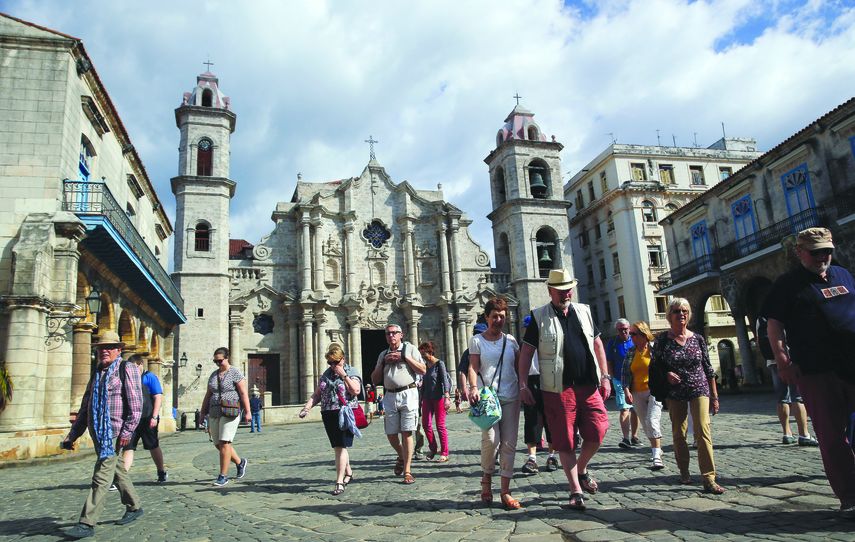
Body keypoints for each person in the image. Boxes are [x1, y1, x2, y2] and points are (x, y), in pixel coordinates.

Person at [764, 227, 855, 518]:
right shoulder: (787, 284)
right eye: (816, 252)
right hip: (816, 371)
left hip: (852, 365)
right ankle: (850, 497)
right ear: (800, 253)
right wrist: (782, 360)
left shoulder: (843, 274)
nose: (822, 257)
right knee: (831, 437)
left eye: (826, 250)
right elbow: (774, 324)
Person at [519, 269, 611, 512]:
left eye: (568, 288)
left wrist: (605, 376)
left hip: (589, 385)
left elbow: (598, 343)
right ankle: (575, 490)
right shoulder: (538, 317)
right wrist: (523, 384)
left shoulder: (585, 312)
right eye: (561, 290)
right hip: (557, 389)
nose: (566, 293)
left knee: (598, 430)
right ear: (550, 291)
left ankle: (580, 469)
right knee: (565, 441)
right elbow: (526, 352)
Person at [61, 331, 144, 539]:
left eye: (109, 347)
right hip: (98, 432)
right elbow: (85, 407)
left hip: (114, 432)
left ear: (119, 350)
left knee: (101, 476)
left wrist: (127, 431)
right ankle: (134, 506)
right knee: (117, 470)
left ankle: (86, 522)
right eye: (100, 348)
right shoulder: (97, 372)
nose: (104, 351)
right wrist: (73, 435)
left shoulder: (128, 368)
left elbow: (136, 405)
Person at [650, 298, 724, 494]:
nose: (681, 314)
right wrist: (666, 375)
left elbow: (708, 369)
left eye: (684, 310)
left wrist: (714, 396)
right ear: (669, 316)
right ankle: (684, 472)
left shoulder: (697, 339)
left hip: (699, 388)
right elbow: (655, 366)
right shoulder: (662, 340)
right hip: (675, 392)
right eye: (676, 311)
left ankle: (709, 478)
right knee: (679, 433)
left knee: (702, 431)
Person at [468, 296, 523, 510]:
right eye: (494, 316)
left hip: (511, 396)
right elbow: (473, 367)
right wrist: (473, 387)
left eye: (502, 316)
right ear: (486, 317)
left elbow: (520, 367)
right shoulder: (477, 341)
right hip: (488, 399)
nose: (498, 320)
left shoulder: (511, 341)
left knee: (509, 444)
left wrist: (525, 388)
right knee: (491, 440)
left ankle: (505, 491)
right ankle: (486, 476)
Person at [299, 343, 362, 495]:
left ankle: (339, 481)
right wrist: (306, 408)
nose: (333, 365)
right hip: (328, 413)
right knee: (338, 446)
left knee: (341, 446)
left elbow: (356, 390)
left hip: (345, 413)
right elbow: (317, 395)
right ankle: (349, 473)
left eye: (336, 362)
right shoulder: (326, 375)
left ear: (343, 359)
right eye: (330, 362)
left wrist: (343, 375)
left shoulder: (351, 371)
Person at [371, 323, 426, 485]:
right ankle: (402, 456)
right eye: (388, 334)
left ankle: (407, 470)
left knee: (407, 432)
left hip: (408, 393)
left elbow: (423, 370)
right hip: (389, 396)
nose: (391, 336)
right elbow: (374, 379)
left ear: (401, 335)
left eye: (394, 333)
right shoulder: (383, 354)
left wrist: (404, 358)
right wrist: (383, 364)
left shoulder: (410, 349)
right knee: (391, 433)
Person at [756, 315, 818, 446]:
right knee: (798, 396)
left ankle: (786, 433)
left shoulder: (761, 318)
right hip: (791, 358)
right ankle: (804, 434)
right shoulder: (785, 309)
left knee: (782, 398)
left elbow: (758, 341)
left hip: (772, 361)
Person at [199, 347, 251, 487]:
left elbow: (243, 393)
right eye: (215, 361)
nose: (217, 363)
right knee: (218, 444)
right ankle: (240, 462)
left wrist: (248, 411)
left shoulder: (235, 372)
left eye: (220, 361)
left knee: (224, 443)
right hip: (215, 411)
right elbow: (208, 395)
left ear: (227, 358)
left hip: (230, 411)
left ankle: (223, 476)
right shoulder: (213, 375)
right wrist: (203, 412)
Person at [118, 354, 167, 485]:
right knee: (128, 447)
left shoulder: (149, 377)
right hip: (132, 419)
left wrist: (154, 417)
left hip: (147, 418)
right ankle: (122, 478)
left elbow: (157, 397)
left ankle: (161, 471)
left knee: (153, 445)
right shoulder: (127, 379)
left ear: (140, 365)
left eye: (134, 367)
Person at [621, 321, 664, 470]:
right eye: (631, 334)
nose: (630, 336)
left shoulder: (654, 350)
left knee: (652, 421)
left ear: (643, 335)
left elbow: (662, 368)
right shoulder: (631, 352)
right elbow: (625, 373)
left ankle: (656, 456)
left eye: (633, 334)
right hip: (636, 392)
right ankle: (657, 446)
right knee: (646, 424)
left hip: (654, 391)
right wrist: (626, 390)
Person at [520, 314, 559, 475]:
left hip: (548, 379)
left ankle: (552, 456)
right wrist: (522, 385)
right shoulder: (523, 345)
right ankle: (532, 458)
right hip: (531, 381)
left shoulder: (548, 343)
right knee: (531, 420)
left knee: (551, 418)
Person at [606, 319, 640, 448]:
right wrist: (611, 377)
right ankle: (626, 438)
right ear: (617, 330)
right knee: (624, 408)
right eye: (620, 329)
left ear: (629, 328)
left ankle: (634, 436)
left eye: (626, 328)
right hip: (619, 380)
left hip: (635, 380)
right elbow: (609, 361)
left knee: (635, 409)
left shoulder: (635, 340)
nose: (624, 331)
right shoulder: (612, 343)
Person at [419, 341, 451, 461]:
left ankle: (444, 452)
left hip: (439, 397)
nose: (422, 356)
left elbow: (445, 381)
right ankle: (433, 448)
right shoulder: (425, 366)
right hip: (427, 398)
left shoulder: (439, 364)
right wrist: (420, 399)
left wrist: (447, 397)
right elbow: (424, 385)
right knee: (426, 424)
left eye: (423, 354)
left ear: (430, 351)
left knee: (440, 425)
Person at [457, 322, 489, 403]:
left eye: (480, 333)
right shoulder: (468, 352)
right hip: (477, 390)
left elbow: (462, 372)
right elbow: (462, 371)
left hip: (494, 388)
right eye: (476, 334)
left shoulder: (469, 351)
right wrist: (464, 389)